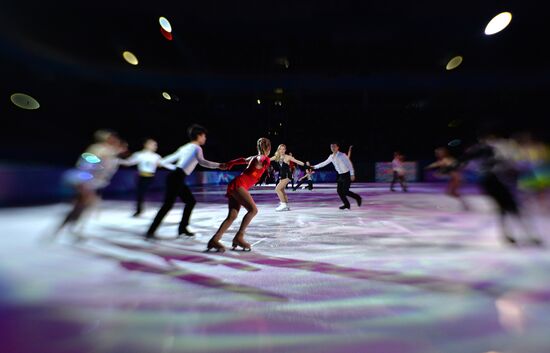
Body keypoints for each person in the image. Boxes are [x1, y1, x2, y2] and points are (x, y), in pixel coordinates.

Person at [146, 124, 226, 240]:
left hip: (176, 176)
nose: (205, 138)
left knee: (190, 202)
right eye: (204, 136)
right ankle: (152, 230)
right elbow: (203, 162)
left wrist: (168, 165)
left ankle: (182, 228)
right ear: (199, 136)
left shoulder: (184, 147)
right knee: (169, 205)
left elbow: (167, 159)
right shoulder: (197, 148)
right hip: (177, 177)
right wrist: (219, 165)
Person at [54, 130, 125, 237]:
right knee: (85, 204)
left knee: (82, 206)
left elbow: (108, 164)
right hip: (85, 179)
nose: (114, 140)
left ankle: (67, 229)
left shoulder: (108, 151)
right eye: (112, 138)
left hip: (91, 181)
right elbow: (86, 161)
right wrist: (99, 163)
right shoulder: (98, 149)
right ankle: (72, 230)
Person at [207, 137, 272, 252]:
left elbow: (242, 160)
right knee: (253, 210)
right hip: (239, 185)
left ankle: (215, 239)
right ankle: (239, 237)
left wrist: (230, 163)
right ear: (269, 148)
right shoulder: (263, 158)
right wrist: (267, 163)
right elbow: (262, 159)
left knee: (232, 216)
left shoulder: (253, 158)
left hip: (236, 184)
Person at [119, 139, 174, 217]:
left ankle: (163, 208)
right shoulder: (139, 154)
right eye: (153, 144)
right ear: (146, 145)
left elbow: (164, 164)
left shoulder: (156, 156)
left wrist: (177, 168)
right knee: (140, 194)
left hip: (152, 177)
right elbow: (128, 163)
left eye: (156, 145)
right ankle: (139, 210)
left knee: (158, 192)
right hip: (142, 177)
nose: (155, 146)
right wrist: (117, 161)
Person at [312, 142, 362, 209]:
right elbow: (324, 163)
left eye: (334, 146)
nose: (333, 148)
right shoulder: (331, 157)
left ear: (338, 147)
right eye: (331, 147)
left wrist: (352, 174)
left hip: (346, 174)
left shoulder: (342, 155)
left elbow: (349, 164)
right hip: (340, 175)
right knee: (339, 191)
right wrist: (314, 167)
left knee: (345, 191)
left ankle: (358, 198)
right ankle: (346, 204)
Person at [271, 144, 306, 211]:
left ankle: (283, 204)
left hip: (287, 175)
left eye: (283, 149)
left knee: (277, 189)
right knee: (282, 190)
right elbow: (268, 160)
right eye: (280, 149)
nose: (282, 150)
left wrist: (306, 166)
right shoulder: (277, 156)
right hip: (282, 176)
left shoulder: (287, 157)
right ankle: (286, 205)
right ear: (278, 150)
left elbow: (297, 161)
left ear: (285, 150)